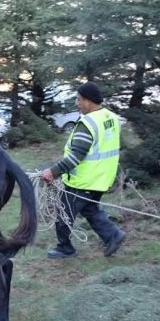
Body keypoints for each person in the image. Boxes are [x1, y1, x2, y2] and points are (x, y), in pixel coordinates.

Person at [41, 82, 126, 258]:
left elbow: (75, 157)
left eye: (79, 100)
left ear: (88, 101)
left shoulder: (87, 124)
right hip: (101, 178)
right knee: (90, 210)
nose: (77, 104)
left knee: (63, 211)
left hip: (83, 180)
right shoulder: (110, 117)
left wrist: (53, 171)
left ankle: (65, 248)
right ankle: (113, 235)